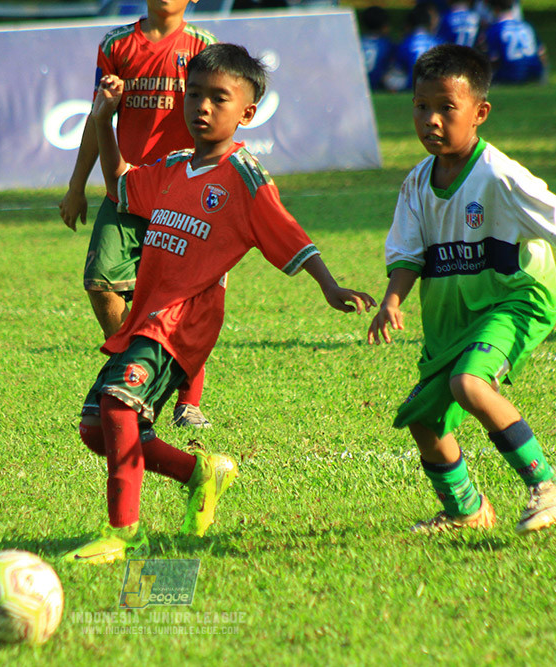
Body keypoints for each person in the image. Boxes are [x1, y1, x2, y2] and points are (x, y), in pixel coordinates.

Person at [63, 43, 376, 564]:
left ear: (246, 113)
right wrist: (104, 121)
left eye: (218, 99)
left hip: (184, 318)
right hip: (149, 312)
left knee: (119, 404)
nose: (202, 108)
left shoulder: (243, 176)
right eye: (194, 95)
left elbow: (286, 231)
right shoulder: (175, 165)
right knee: (98, 430)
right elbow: (120, 185)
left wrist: (328, 283)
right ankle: (201, 474)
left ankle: (124, 534)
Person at [367, 44, 556, 535]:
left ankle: (549, 486)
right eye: (420, 106)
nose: (430, 119)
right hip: (453, 316)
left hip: (516, 298)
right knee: (424, 420)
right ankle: (466, 510)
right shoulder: (416, 183)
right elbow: (409, 255)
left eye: (445, 108)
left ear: (480, 113)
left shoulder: (499, 174)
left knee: (470, 383)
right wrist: (392, 300)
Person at [58, 0, 216, 428]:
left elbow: (220, 121)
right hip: (125, 190)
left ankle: (188, 401)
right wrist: (76, 186)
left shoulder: (204, 49)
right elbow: (98, 118)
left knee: (184, 298)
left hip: (183, 193)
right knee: (100, 282)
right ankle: (136, 365)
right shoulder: (116, 44)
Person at [483, 0, 546, 84]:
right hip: (534, 73)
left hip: (509, 75)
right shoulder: (527, 26)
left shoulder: (495, 29)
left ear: (495, 9)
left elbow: (494, 59)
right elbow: (542, 53)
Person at [392, 2, 443, 92]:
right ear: (429, 22)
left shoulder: (405, 42)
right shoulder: (437, 42)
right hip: (436, 88)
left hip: (411, 87)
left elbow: (398, 68)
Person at [359, 6, 396, 92]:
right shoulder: (387, 44)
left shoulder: (358, 41)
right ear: (384, 26)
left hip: (358, 85)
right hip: (377, 86)